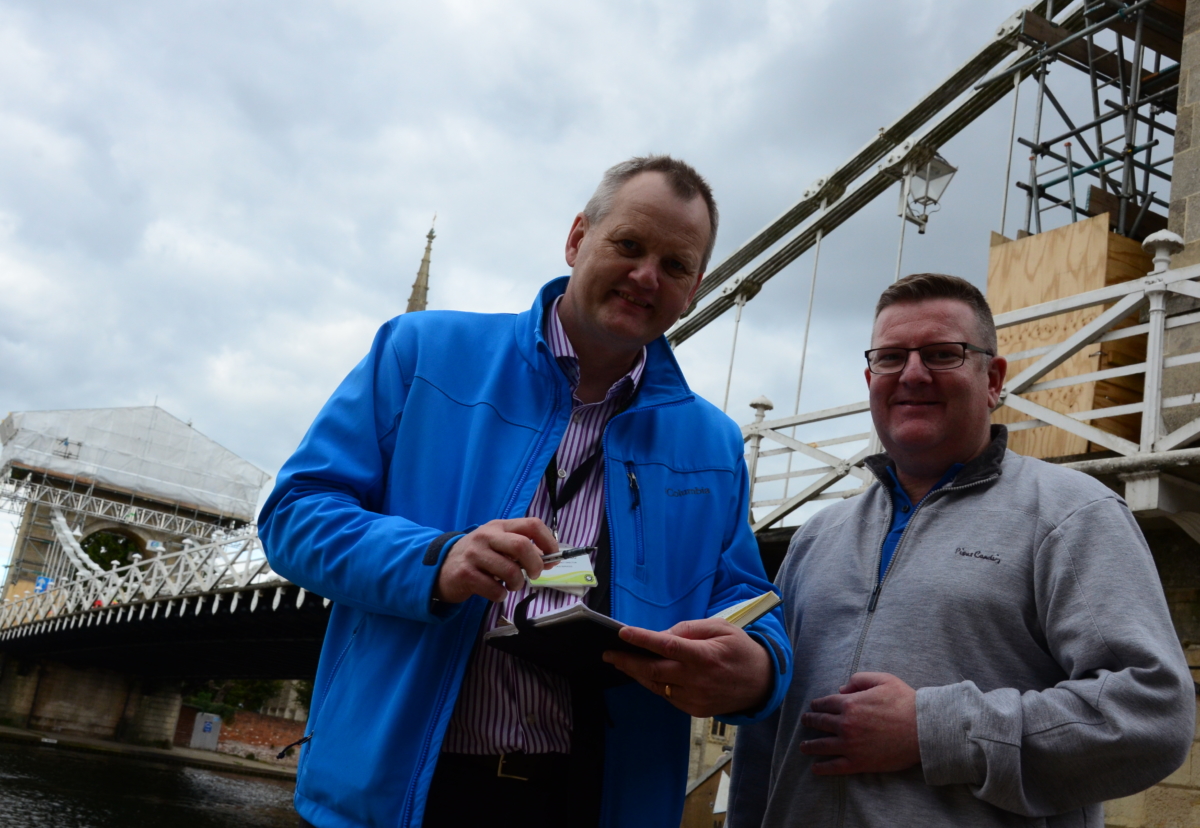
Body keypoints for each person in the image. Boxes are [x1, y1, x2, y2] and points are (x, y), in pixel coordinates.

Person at [259, 155, 792, 828]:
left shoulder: (713, 442)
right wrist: (437, 559)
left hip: (589, 798)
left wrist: (761, 670)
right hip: (401, 795)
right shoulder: (419, 353)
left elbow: (746, 597)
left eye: (676, 265)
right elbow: (295, 516)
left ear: (694, 288)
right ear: (577, 239)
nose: (646, 276)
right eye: (628, 245)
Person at [728, 272, 1194, 827]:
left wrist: (932, 730)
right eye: (892, 357)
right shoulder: (815, 538)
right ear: (870, 376)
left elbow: (1153, 713)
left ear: (993, 379)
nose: (914, 374)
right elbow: (764, 744)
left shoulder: (1071, 515)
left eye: (943, 354)